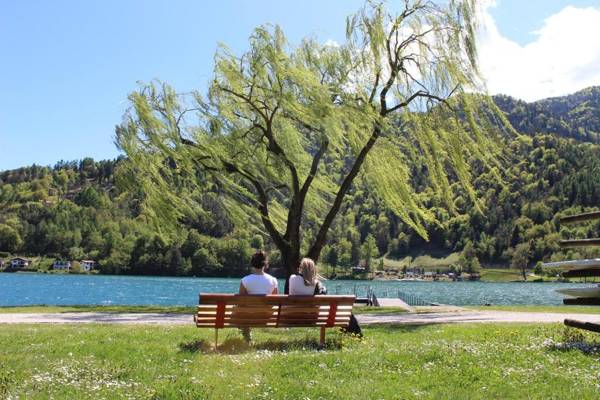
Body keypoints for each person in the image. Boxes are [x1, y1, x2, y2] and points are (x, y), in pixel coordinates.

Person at [238, 250, 278, 343]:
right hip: (267, 316)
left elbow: (240, 302)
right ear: (265, 264)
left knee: (241, 309)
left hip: (249, 316)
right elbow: (275, 301)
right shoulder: (273, 280)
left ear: (252, 264)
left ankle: (247, 336)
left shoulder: (245, 280)